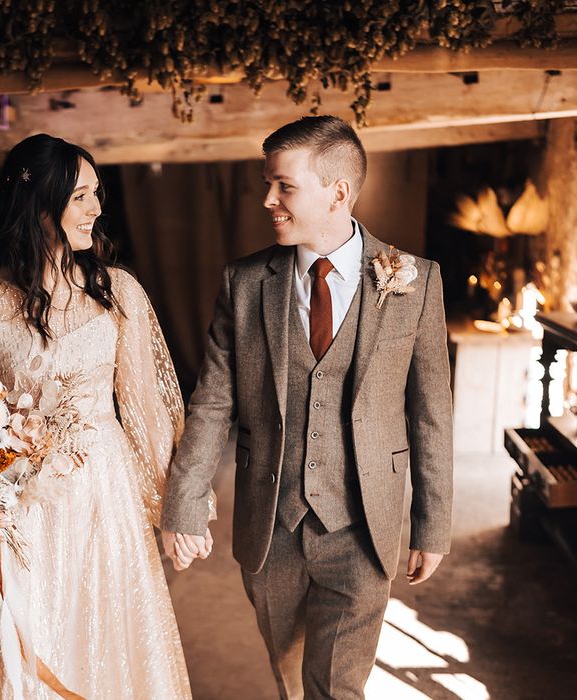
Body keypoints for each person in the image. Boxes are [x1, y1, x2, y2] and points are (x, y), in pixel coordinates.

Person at [161, 116, 453, 699]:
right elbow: (213, 401)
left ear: (337, 191)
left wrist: (433, 523)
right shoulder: (245, 283)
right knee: (291, 677)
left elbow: (431, 413)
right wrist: (184, 502)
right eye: (267, 183)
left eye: (284, 185)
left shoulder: (415, 282)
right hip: (271, 528)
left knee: (337, 687)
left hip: (363, 528)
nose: (268, 199)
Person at [0, 134, 207, 699]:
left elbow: (147, 414)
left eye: (97, 194)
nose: (97, 209)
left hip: (105, 499)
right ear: (42, 204)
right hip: (18, 506)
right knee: (19, 646)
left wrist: (178, 509)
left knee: (110, 642)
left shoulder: (119, 292)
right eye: (82, 196)